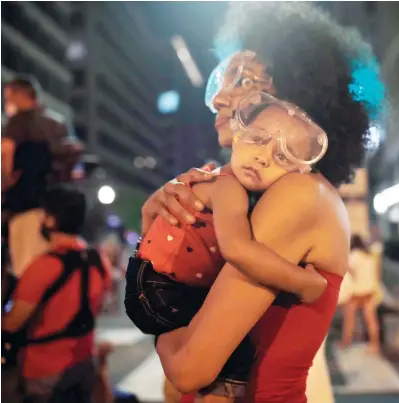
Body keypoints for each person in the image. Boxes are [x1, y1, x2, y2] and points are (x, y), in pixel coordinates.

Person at [140, 2, 382, 402]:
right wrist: (156, 222)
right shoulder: (250, 194)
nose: (219, 98)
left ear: (295, 97)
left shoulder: (300, 194)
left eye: (243, 81)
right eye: (223, 78)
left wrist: (151, 309)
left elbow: (189, 370)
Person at [1, 185, 111, 403]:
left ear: (51, 220)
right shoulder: (98, 262)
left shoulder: (43, 266)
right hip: (83, 361)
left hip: (44, 370)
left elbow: (12, 323)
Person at [2, 75, 83, 277]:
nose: (6, 104)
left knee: (25, 271)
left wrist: (4, 186)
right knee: (49, 268)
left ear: (19, 96)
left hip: (23, 205)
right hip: (55, 210)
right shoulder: (58, 123)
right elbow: (75, 167)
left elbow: (6, 155)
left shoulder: (18, 122)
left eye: (8, 98)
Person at [339, 234, 381, 354]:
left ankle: (346, 341)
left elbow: (351, 271)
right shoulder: (369, 257)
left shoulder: (354, 256)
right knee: (371, 320)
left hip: (357, 292)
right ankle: (375, 345)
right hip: (369, 292)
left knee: (349, 318)